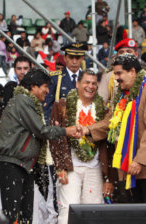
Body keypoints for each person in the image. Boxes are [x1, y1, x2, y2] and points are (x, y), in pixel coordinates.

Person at [0, 68, 83, 223]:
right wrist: (66, 131)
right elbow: (41, 130)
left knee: (26, 213)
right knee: (11, 212)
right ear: (33, 86)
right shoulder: (22, 100)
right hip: (12, 162)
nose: (48, 91)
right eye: (45, 87)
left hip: (23, 163)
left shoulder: (28, 102)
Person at [50, 70, 116, 224]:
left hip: (95, 168)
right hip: (70, 167)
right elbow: (55, 138)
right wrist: (60, 167)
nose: (90, 86)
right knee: (67, 210)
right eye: (86, 82)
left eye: (94, 83)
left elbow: (109, 143)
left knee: (93, 213)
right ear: (78, 84)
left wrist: (109, 178)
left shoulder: (104, 109)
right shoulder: (62, 106)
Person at [84, 54, 146, 203]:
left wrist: (139, 160)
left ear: (132, 71)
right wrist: (87, 130)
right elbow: (110, 122)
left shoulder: (144, 91)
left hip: (141, 167)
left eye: (119, 73)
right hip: (127, 168)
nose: (116, 78)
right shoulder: (122, 95)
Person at [44, 42, 87, 123]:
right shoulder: (56, 78)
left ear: (82, 59)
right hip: (61, 126)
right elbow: (48, 106)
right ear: (65, 58)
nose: (74, 62)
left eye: (77, 58)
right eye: (71, 58)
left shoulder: (87, 78)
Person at [98, 38, 138, 104]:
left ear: (136, 55)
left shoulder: (143, 75)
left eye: (129, 51)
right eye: (121, 52)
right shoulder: (109, 76)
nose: (125, 55)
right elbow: (100, 103)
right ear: (117, 56)